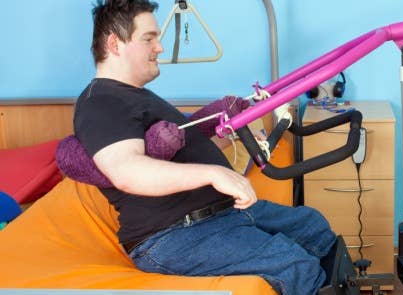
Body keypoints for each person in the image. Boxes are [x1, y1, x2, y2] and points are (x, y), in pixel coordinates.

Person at [76, 1, 336, 294]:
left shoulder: (136, 97)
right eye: (149, 39)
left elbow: (180, 149)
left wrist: (235, 132)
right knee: (297, 266)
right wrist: (214, 174)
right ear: (114, 43)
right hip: (172, 236)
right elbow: (127, 170)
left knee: (312, 226)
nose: (159, 48)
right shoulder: (102, 103)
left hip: (218, 216)